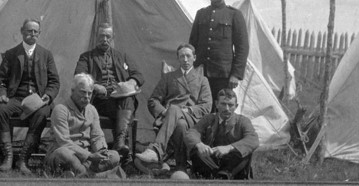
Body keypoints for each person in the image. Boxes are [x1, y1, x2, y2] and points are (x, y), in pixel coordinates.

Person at [0, 18, 60, 174]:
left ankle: (23, 159)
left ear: (39, 34)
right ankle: (8, 157)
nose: (32, 34)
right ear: (22, 31)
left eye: (36, 31)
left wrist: (48, 96)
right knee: (0, 110)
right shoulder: (11, 54)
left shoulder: (46, 54)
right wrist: (1, 95)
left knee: (43, 113)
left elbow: (55, 81)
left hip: (39, 100)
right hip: (16, 99)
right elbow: (0, 80)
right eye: (29, 31)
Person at [135, 43, 212, 173]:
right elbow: (153, 100)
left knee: (175, 110)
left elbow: (207, 106)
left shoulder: (202, 80)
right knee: (179, 123)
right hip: (170, 119)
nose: (185, 59)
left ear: (194, 57)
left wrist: (187, 110)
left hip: (193, 119)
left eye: (188, 56)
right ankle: (181, 166)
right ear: (178, 59)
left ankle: (156, 150)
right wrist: (165, 112)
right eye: (182, 56)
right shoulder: (169, 77)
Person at [74, 23, 144, 157]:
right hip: (100, 101)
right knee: (125, 107)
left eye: (108, 36)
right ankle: (122, 147)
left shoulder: (122, 56)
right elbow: (79, 76)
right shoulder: (86, 57)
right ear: (96, 36)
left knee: (128, 98)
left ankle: (119, 143)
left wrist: (130, 82)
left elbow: (138, 75)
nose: (104, 39)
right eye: (101, 36)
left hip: (120, 98)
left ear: (112, 38)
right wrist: (94, 86)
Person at [45, 73, 121, 177]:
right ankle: (93, 176)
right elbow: (64, 142)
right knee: (63, 153)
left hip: (88, 157)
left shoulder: (92, 110)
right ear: (72, 91)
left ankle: (78, 174)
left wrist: (101, 152)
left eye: (89, 93)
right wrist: (89, 156)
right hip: (66, 155)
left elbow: (97, 136)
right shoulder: (60, 109)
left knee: (114, 156)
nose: (86, 97)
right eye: (82, 92)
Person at [189, 0, 249, 99]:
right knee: (201, 109)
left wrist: (236, 75)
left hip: (223, 75)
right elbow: (192, 44)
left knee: (221, 109)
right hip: (201, 73)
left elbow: (242, 47)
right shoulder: (201, 14)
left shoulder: (234, 15)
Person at [184, 88, 259, 179]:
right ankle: (209, 174)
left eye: (230, 105)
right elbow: (192, 133)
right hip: (211, 160)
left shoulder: (243, 121)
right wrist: (199, 145)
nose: (227, 108)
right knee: (196, 151)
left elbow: (253, 139)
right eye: (223, 104)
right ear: (216, 104)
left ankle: (225, 175)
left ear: (236, 106)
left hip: (232, 162)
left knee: (245, 151)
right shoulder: (208, 118)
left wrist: (229, 148)